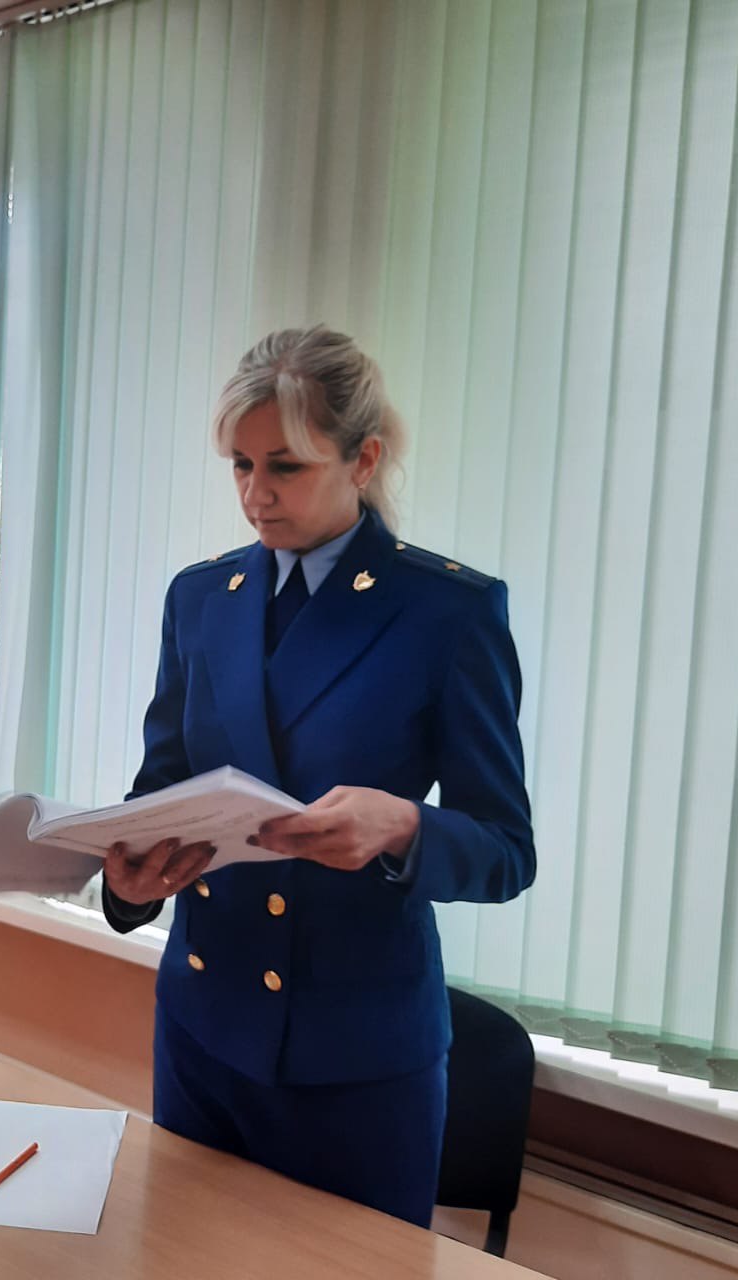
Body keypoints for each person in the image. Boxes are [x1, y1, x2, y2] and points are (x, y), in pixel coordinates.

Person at [101, 325, 535, 1228]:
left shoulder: (447, 612)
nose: (255, 495)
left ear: (363, 460)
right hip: (202, 1024)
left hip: (358, 1058)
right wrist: (129, 881)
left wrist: (404, 826)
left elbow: (505, 850)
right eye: (240, 464)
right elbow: (163, 786)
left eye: (286, 467)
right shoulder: (199, 598)